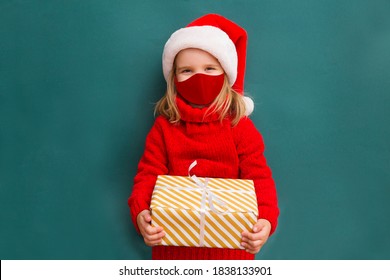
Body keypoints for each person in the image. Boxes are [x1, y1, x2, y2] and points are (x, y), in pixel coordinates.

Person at [128, 14, 279, 260]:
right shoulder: (164, 128)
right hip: (173, 252)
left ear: (226, 74)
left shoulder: (239, 127)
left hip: (231, 253)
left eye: (210, 68)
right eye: (187, 71)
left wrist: (265, 220)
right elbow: (148, 175)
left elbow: (259, 178)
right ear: (174, 80)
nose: (199, 77)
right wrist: (141, 213)